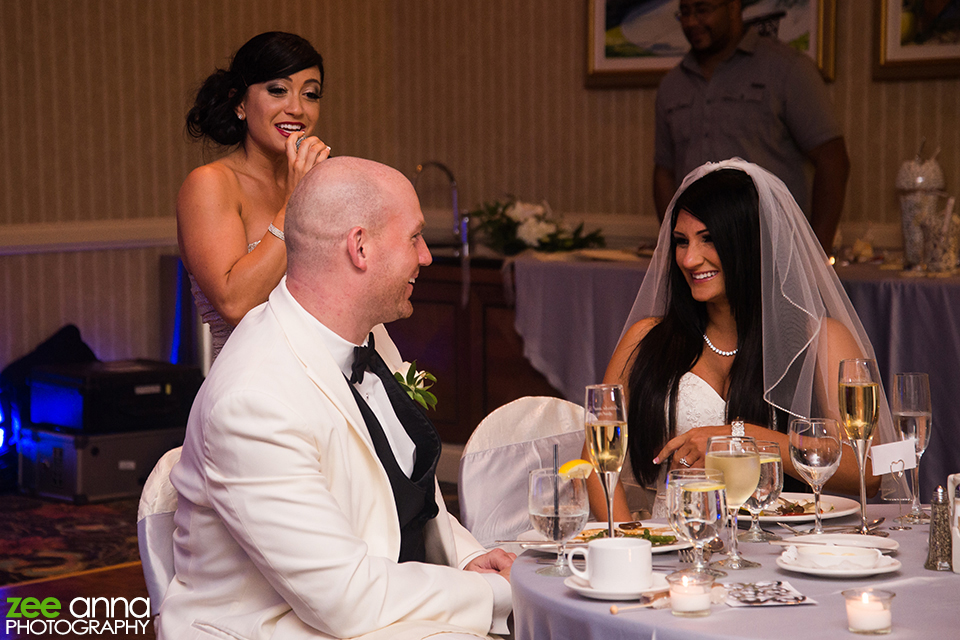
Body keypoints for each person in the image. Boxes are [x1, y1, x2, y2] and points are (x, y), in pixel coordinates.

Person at [158, 157, 514, 640]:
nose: (426, 256)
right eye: (414, 237)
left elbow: (401, 490)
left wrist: (468, 557)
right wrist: (503, 594)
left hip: (373, 608)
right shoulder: (253, 399)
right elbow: (345, 598)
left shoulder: (369, 339)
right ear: (360, 247)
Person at [587, 158, 900, 522]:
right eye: (681, 241)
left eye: (709, 239)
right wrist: (631, 545)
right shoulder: (646, 339)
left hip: (779, 550)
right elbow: (598, 464)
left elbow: (870, 471)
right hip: (674, 547)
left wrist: (743, 438)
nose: (689, 259)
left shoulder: (821, 339)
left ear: (749, 244)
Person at [178, 32, 332, 361]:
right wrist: (294, 202)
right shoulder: (211, 184)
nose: (297, 108)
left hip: (322, 378)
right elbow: (235, 304)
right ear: (239, 102)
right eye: (278, 90)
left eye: (311, 94)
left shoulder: (317, 180)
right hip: (247, 385)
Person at [653, 0, 850, 252]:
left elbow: (832, 159)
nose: (691, 22)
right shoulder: (672, 84)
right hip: (697, 257)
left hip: (771, 253)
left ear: (733, 7)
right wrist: (674, 242)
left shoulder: (787, 68)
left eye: (702, 10)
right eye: (685, 12)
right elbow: (664, 171)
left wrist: (817, 254)